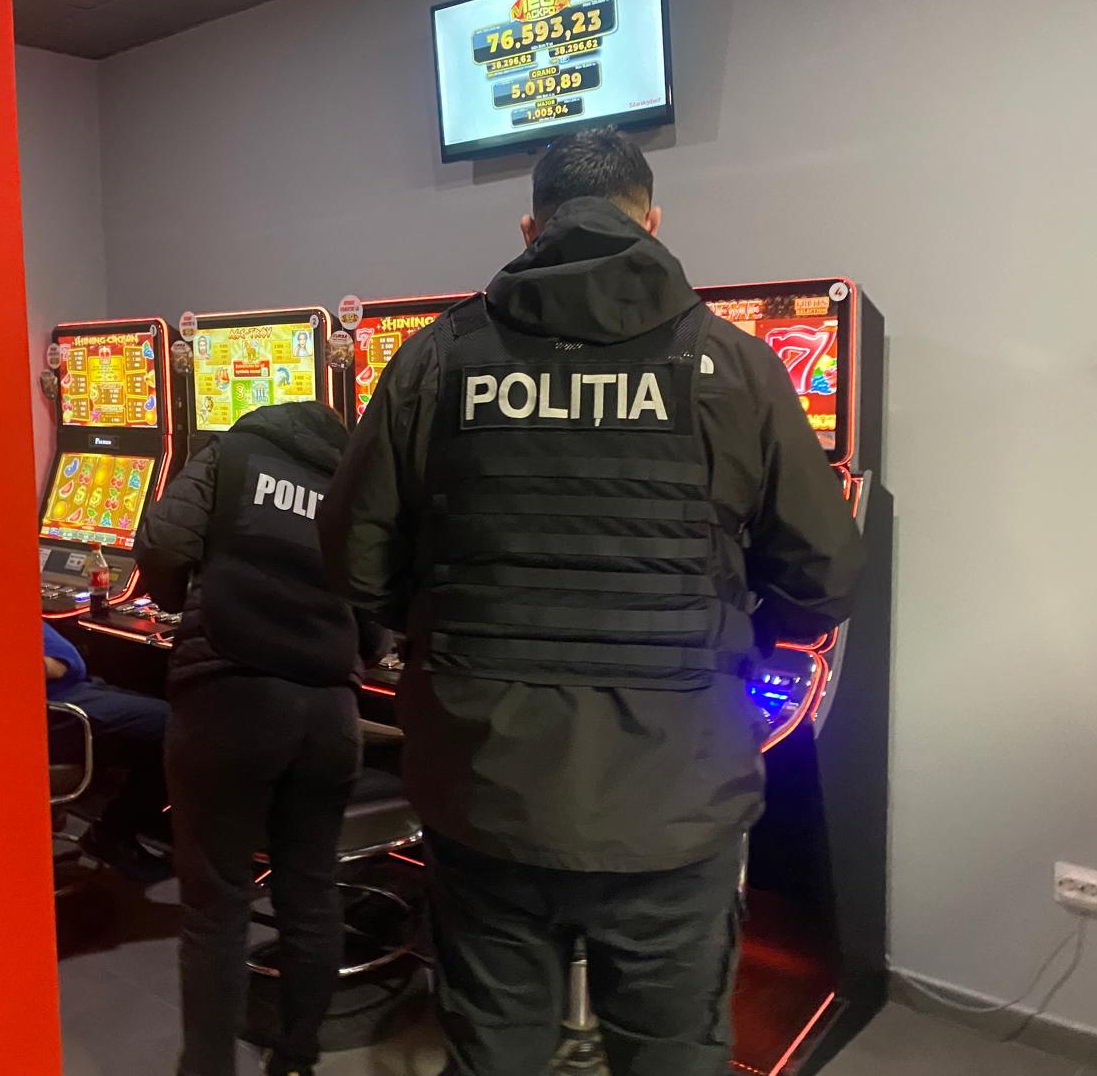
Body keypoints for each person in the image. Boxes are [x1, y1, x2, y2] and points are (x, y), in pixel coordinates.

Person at [317, 127, 865, 1076]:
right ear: (652, 223)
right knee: (668, 1055)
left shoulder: (436, 362)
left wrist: (453, 616)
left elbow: (353, 559)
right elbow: (825, 576)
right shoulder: (734, 365)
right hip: (674, 793)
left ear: (529, 228)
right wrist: (731, 628)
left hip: (486, 784)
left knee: (494, 1054)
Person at [135, 401, 387, 1076]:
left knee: (217, 906)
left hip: (229, 693)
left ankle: (208, 1068)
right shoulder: (353, 487)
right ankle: (297, 1058)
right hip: (328, 711)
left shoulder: (231, 452)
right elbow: (378, 616)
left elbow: (162, 547)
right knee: (311, 893)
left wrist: (182, 598)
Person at [43, 622, 171, 883]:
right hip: (59, 703)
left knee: (159, 712)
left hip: (78, 688)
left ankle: (128, 826)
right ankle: (113, 833)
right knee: (176, 724)